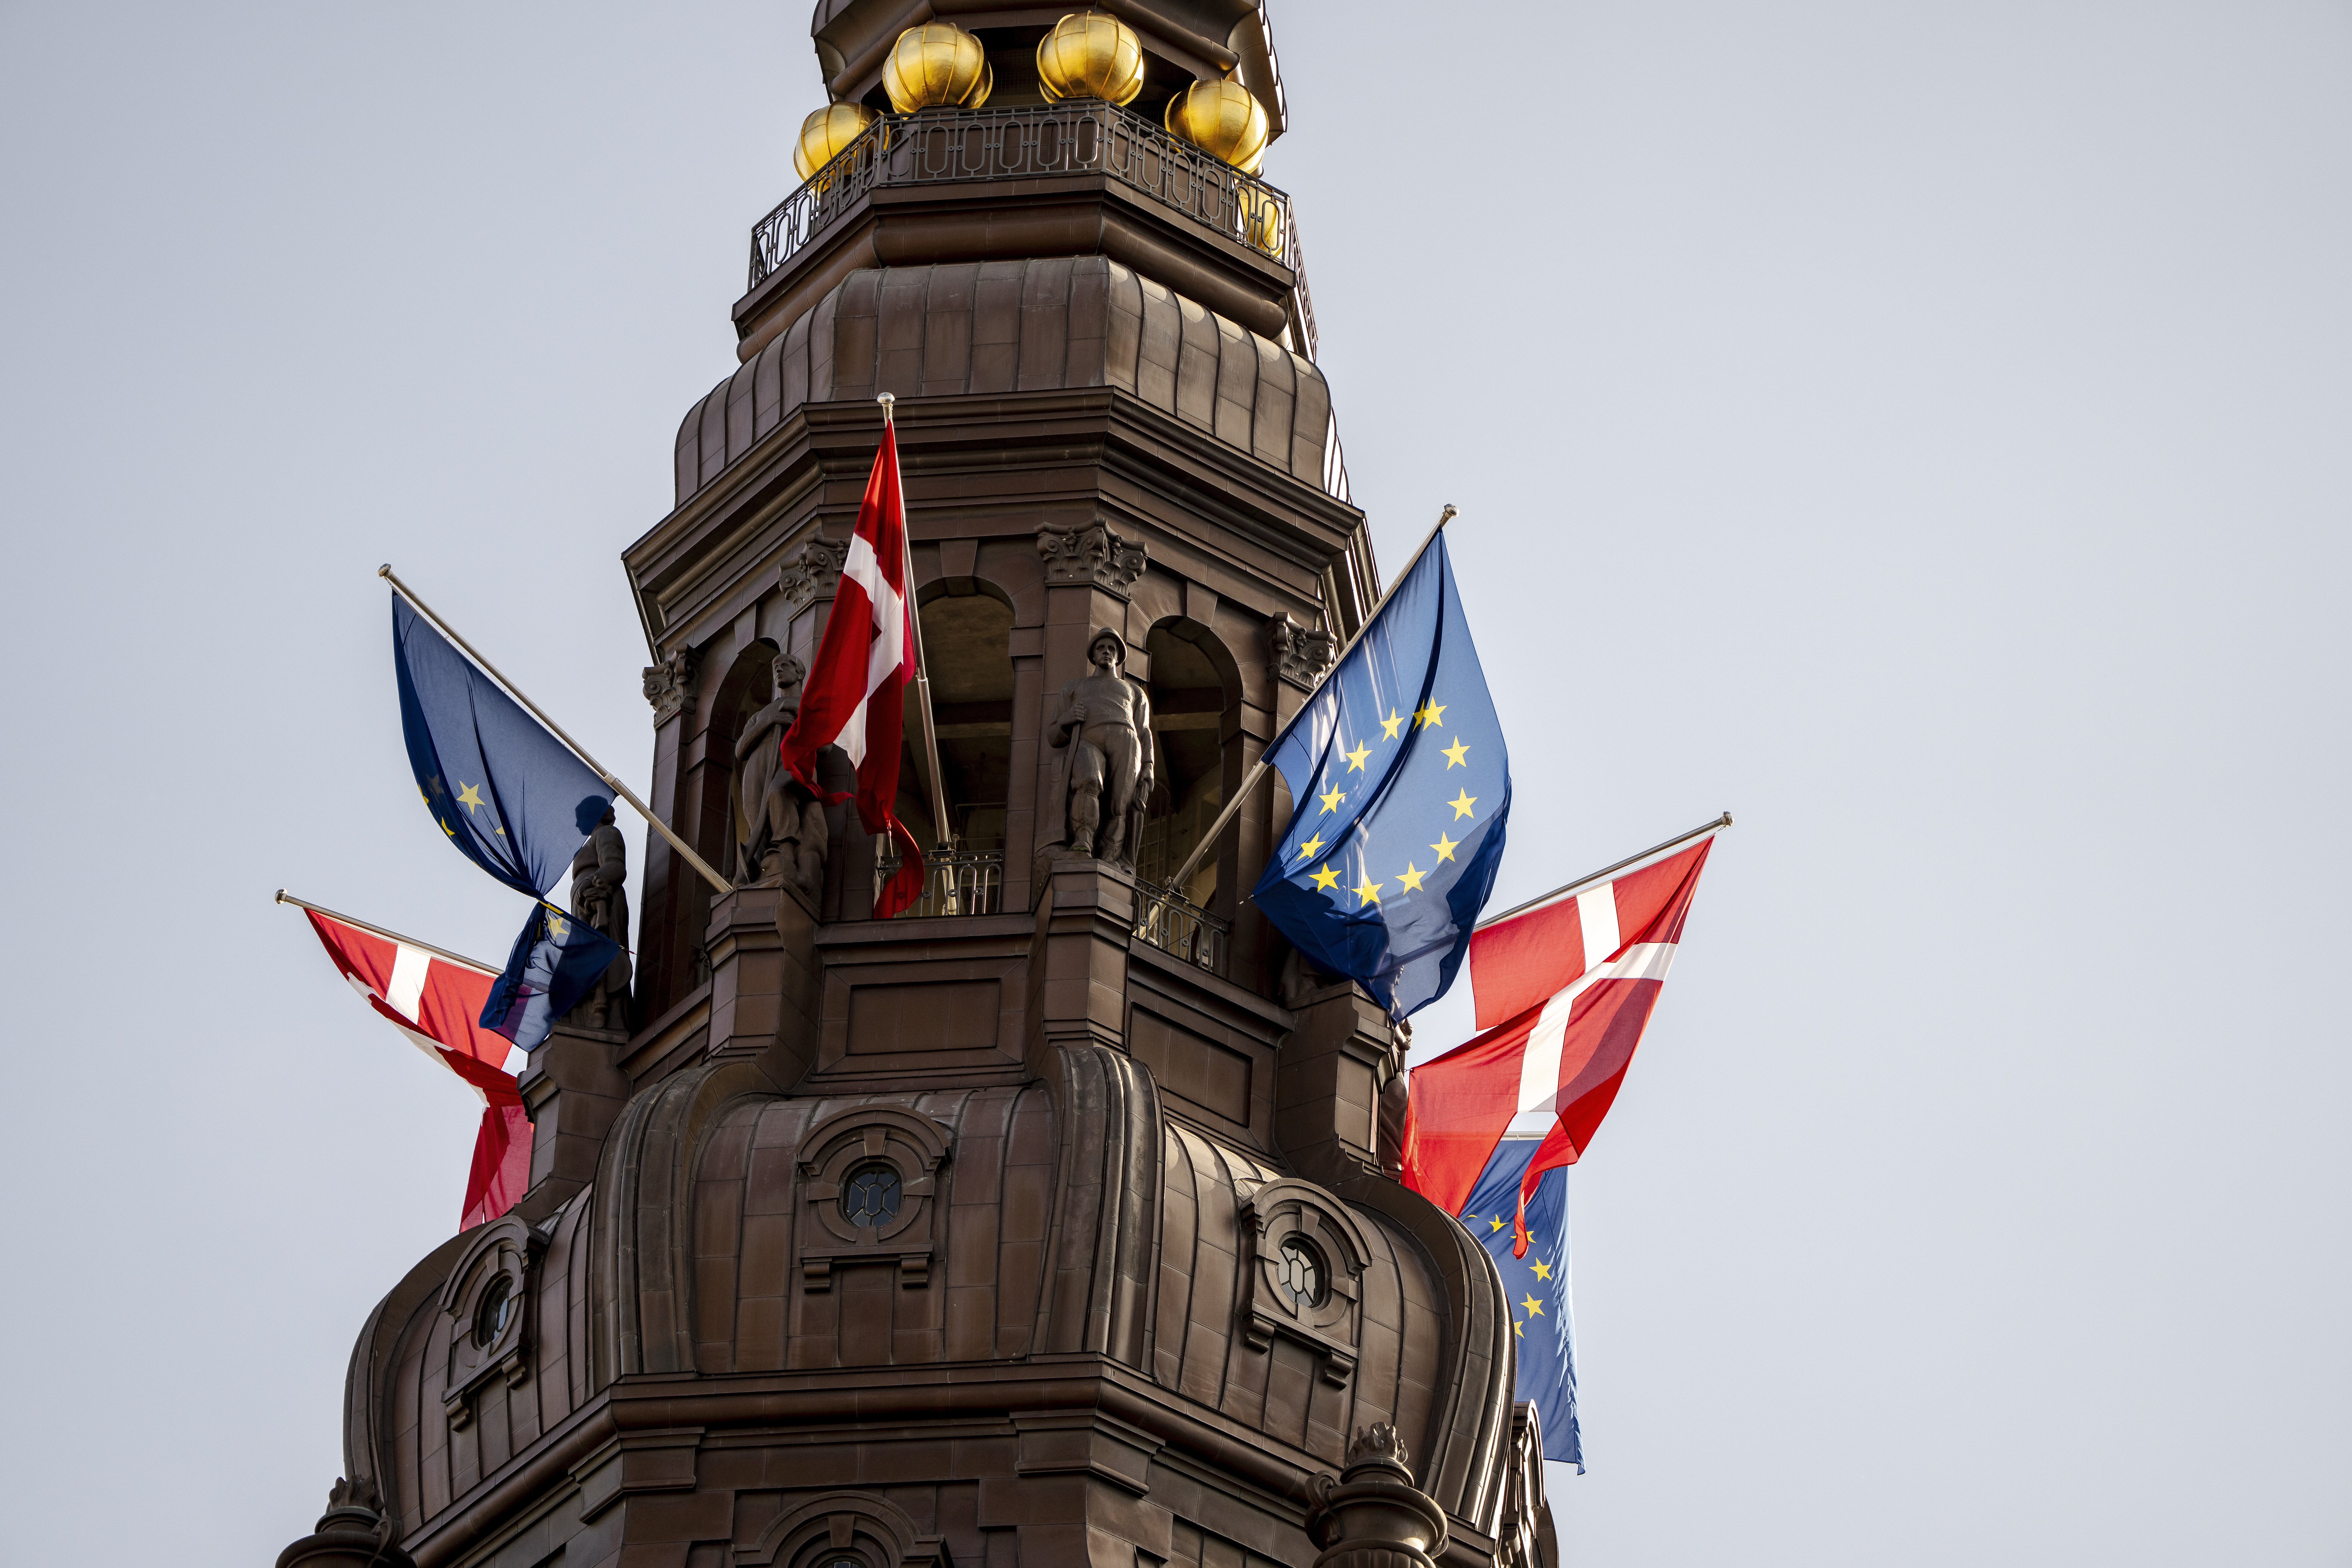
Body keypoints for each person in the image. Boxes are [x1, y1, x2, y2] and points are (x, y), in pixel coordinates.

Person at [1046, 628, 1154, 869]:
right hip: (1089, 740)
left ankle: (1110, 859)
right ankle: (1083, 841)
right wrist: (1066, 719)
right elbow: (1053, 736)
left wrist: (1149, 766)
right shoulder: (1074, 688)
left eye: (1112, 649)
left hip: (1127, 742)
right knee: (1087, 782)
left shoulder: (1135, 692)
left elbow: (1144, 731)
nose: (1107, 652)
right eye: (1101, 648)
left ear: (1118, 658)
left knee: (1120, 805)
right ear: (1093, 656)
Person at [734, 653, 829, 893]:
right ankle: (758, 867)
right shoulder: (762, 713)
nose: (778, 670)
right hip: (757, 767)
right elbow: (741, 750)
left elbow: (826, 745)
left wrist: (794, 708)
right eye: (774, 666)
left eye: (784, 665)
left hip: (794, 763)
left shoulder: (810, 706)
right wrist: (769, 721)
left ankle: (785, 853)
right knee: (757, 819)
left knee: (778, 794)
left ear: (799, 673)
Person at [568, 806, 633, 1030]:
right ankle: (587, 1014)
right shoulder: (593, 839)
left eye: (581, 817)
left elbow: (616, 867)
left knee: (604, 959)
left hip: (603, 901)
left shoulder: (606, 833)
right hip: (584, 907)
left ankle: (608, 1016)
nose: (578, 825)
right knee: (586, 962)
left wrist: (588, 885)